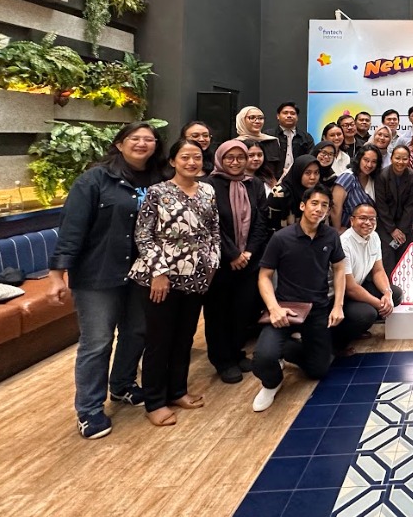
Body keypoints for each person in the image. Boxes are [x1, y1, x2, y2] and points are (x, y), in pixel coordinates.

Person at [47, 121, 166, 439]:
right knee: (97, 341)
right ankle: (88, 410)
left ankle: (123, 385)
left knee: (137, 332)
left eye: (149, 139)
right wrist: (57, 274)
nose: (142, 143)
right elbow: (72, 228)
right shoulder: (94, 179)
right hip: (98, 274)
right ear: (119, 143)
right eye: (134, 138)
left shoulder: (159, 180)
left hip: (142, 273)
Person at [130, 140, 220, 426]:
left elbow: (214, 231)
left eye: (197, 157)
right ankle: (155, 401)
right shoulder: (157, 192)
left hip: (197, 275)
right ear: (172, 161)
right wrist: (158, 272)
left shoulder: (207, 190)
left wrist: (213, 264)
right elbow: (143, 236)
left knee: (184, 337)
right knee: (159, 340)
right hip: (162, 278)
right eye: (185, 157)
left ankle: (177, 391)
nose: (192, 162)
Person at [251, 186, 346, 412]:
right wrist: (274, 308)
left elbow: (339, 269)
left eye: (324, 205)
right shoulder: (281, 238)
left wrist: (338, 306)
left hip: (317, 308)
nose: (319, 209)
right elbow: (264, 276)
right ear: (303, 206)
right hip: (285, 308)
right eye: (314, 203)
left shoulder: (331, 236)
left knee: (319, 370)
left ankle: (287, 350)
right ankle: (272, 383)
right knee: (263, 358)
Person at [204, 140, 271, 384]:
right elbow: (212, 225)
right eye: (229, 157)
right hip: (220, 263)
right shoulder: (208, 185)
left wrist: (249, 252)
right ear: (220, 159)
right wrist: (232, 254)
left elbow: (261, 221)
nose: (235, 162)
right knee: (218, 313)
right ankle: (222, 360)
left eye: (240, 157)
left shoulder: (254, 184)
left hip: (249, 261)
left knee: (242, 311)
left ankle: (237, 352)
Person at [330, 203, 403, 355]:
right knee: (367, 314)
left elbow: (378, 270)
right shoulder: (344, 243)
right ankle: (336, 342)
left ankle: (357, 329)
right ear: (352, 220)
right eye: (363, 218)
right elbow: (350, 287)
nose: (368, 223)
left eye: (372, 219)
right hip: (340, 295)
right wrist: (379, 303)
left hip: (359, 285)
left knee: (395, 294)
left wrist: (387, 293)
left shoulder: (374, 237)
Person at [375, 145, 413, 273]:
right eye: (397, 158)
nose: (401, 162)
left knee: (403, 260)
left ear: (409, 160)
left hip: (404, 226)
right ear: (392, 158)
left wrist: (401, 230)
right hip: (385, 225)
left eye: (404, 159)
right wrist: (392, 229)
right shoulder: (382, 176)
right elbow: (381, 206)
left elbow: (410, 206)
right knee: (387, 259)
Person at [264, 154, 322, 232]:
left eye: (316, 172)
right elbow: (270, 226)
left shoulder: (319, 192)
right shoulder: (279, 193)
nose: (313, 177)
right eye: (308, 173)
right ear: (298, 172)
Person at [331, 145, 381, 231]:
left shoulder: (373, 180)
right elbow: (335, 207)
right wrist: (337, 230)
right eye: (366, 160)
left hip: (367, 231)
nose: (369, 165)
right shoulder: (347, 177)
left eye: (374, 162)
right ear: (359, 159)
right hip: (346, 231)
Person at [270, 102, 315, 180]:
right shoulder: (269, 136)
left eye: (293, 113)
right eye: (285, 113)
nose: (289, 116)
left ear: (297, 117)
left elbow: (310, 159)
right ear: (278, 116)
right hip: (273, 179)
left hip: (299, 179)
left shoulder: (306, 137)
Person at [236, 105, 281, 180]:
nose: (257, 121)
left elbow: (278, 169)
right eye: (252, 117)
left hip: (269, 184)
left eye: (260, 118)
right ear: (242, 120)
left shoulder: (272, 141)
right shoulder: (236, 143)